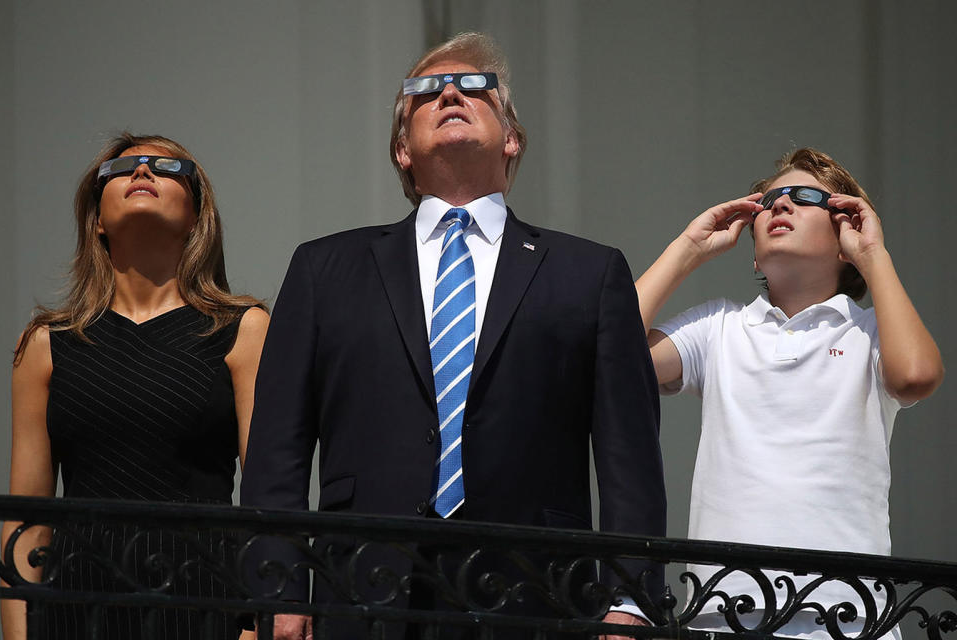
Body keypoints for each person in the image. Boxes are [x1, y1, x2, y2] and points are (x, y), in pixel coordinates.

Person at [240, 32, 666, 639]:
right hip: (363, 592)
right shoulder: (324, 269)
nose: (449, 93)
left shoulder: (590, 273)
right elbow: (277, 448)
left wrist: (629, 601)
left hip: (535, 594)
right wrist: (279, 590)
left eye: (474, 86)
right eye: (424, 90)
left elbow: (630, 457)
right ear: (402, 150)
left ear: (512, 137)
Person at [632, 147, 944, 638]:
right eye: (769, 201)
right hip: (723, 610)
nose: (780, 205)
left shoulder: (870, 332)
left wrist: (874, 255)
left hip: (848, 613)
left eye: (804, 197)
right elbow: (612, 357)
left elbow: (916, 376)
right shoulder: (719, 326)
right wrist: (687, 249)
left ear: (845, 239)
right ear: (753, 249)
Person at [1, 133, 269, 640]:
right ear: (97, 218)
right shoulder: (45, 344)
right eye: (122, 168)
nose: (142, 172)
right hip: (79, 603)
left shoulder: (243, 329)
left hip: (203, 599)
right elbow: (25, 522)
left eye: (164, 168)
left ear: (196, 215)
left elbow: (266, 503)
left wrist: (257, 624)